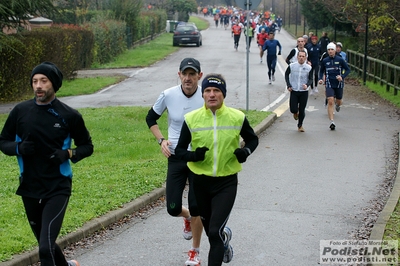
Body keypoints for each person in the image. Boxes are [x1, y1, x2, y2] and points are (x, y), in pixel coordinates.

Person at [0, 62, 94, 266]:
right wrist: (18, 148)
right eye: (34, 81)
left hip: (57, 186)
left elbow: (87, 146)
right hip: (29, 187)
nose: (38, 86)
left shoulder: (69, 115)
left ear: (54, 84)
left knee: (44, 248)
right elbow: (3, 141)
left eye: (43, 81)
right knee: (47, 244)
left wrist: (68, 153)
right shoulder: (20, 111)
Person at [175, 73, 259, 266]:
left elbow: (253, 139)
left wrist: (245, 151)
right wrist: (193, 156)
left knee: (213, 232)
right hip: (200, 183)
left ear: (223, 94)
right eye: (207, 90)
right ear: (203, 94)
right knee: (214, 232)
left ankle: (220, 239)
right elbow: (179, 150)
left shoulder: (237, 117)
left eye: (216, 91)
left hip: (226, 183)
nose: (212, 94)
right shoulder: (191, 119)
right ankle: (224, 241)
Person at [145, 58, 204, 266]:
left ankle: (194, 252)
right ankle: (186, 217)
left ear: (200, 76)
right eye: (184, 74)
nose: (188, 78)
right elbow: (150, 118)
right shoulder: (168, 95)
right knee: (172, 207)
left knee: (198, 207)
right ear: (179, 74)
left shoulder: (207, 94)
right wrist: (161, 140)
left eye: (192, 74)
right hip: (176, 156)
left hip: (198, 157)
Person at [318, 42, 351, 130]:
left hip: (339, 84)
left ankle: (338, 105)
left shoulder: (340, 59)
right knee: (330, 100)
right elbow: (321, 71)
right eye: (329, 50)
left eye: (332, 49)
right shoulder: (325, 61)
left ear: (335, 50)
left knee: (339, 100)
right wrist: (320, 79)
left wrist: (342, 77)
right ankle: (332, 121)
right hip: (329, 83)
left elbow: (348, 69)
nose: (330, 51)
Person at [285, 51, 313, 132]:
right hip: (294, 90)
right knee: (293, 109)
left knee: (302, 109)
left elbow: (311, 78)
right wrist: (289, 85)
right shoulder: (292, 66)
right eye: (300, 56)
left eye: (303, 56)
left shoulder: (309, 68)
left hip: (303, 91)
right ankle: (295, 112)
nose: (301, 58)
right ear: (297, 57)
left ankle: (300, 125)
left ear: (305, 57)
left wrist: (307, 85)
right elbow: (286, 74)